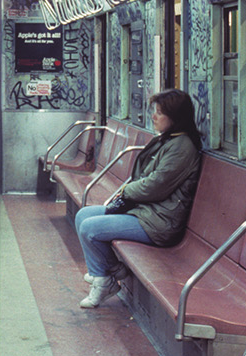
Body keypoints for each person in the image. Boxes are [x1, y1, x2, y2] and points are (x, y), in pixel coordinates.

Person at [73, 88, 203, 309]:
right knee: (83, 215)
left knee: (90, 229)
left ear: (176, 117)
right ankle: (110, 271)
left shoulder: (182, 148)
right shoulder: (167, 140)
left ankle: (104, 280)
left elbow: (155, 186)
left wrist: (126, 191)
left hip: (160, 221)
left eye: (159, 113)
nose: (153, 116)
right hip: (145, 211)